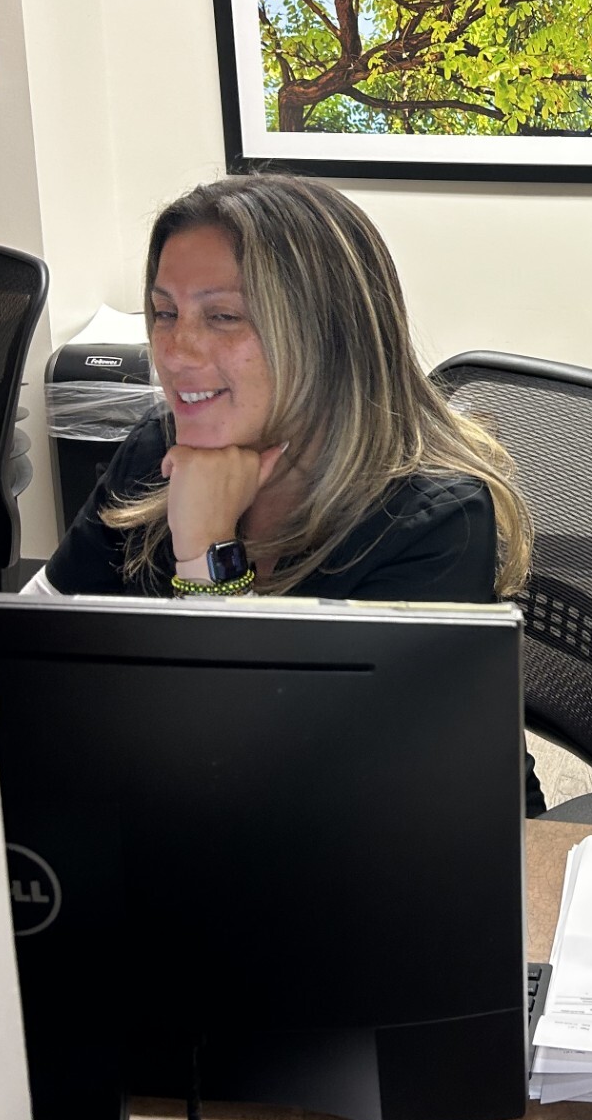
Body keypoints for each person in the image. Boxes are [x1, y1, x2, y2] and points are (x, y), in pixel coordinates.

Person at [31, 172, 547, 812]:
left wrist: (207, 553)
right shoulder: (158, 450)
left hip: (422, 848)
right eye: (164, 313)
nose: (175, 349)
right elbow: (27, 648)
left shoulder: (431, 523)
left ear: (327, 337)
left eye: (222, 317)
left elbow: (267, 782)